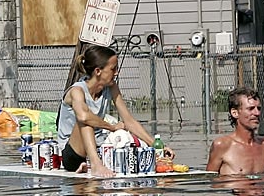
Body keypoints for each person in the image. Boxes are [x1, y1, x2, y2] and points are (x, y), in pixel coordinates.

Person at [57, 45, 175, 177]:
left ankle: (92, 162)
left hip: (98, 147)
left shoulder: (111, 87)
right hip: (71, 154)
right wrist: (112, 127)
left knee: (129, 139)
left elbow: (129, 121)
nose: (117, 73)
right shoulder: (76, 91)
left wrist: (157, 146)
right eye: (113, 69)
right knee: (87, 120)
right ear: (98, 71)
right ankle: (95, 165)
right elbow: (84, 117)